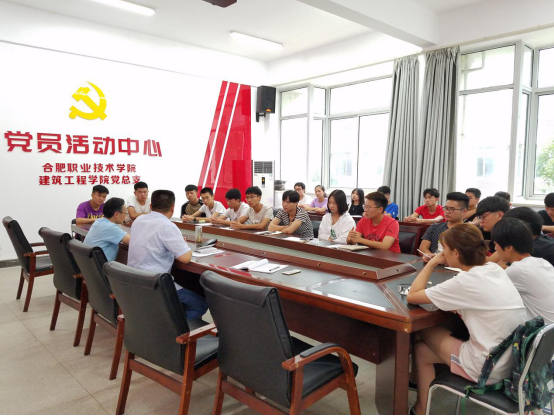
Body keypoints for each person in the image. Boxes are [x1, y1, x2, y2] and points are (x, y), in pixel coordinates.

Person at [407, 224, 527, 415]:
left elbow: (412, 295)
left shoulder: (466, 281)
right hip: (510, 360)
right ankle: (421, 396)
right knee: (423, 349)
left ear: (455, 253)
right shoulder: (493, 269)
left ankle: (421, 409)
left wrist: (431, 263)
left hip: (486, 367)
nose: (442, 254)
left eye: (444, 250)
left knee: (421, 332)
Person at [128, 190, 208, 320]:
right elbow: (185, 258)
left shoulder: (139, 220)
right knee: (201, 304)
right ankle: (167, 325)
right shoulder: (167, 225)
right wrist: (183, 244)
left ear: (150, 206)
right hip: (156, 284)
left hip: (134, 281)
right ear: (172, 207)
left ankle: (161, 321)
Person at [492, 218, 554, 325]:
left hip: (543, 332)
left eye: (496, 244)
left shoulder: (517, 270)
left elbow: (489, 291)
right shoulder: (542, 262)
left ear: (509, 247)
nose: (495, 248)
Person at [419, 192, 469, 259]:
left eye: (452, 209)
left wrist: (439, 259)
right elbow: (422, 248)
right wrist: (431, 257)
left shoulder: (468, 232)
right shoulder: (435, 227)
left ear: (464, 211)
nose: (447, 212)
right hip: (432, 262)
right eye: (446, 208)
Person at [83, 198, 131, 262]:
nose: (126, 216)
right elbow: (133, 242)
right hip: (101, 266)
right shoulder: (111, 227)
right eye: (125, 213)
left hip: (89, 264)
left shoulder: (98, 221)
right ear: (116, 214)